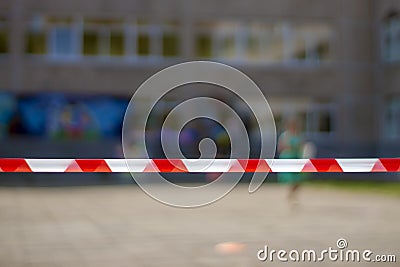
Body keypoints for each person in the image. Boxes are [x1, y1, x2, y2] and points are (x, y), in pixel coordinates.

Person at [277, 118, 304, 205]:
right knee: (291, 180)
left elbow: (301, 147)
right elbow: (281, 147)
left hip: (296, 158)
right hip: (288, 158)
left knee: (298, 180)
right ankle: (291, 195)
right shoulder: (285, 135)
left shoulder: (297, 135)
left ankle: (291, 194)